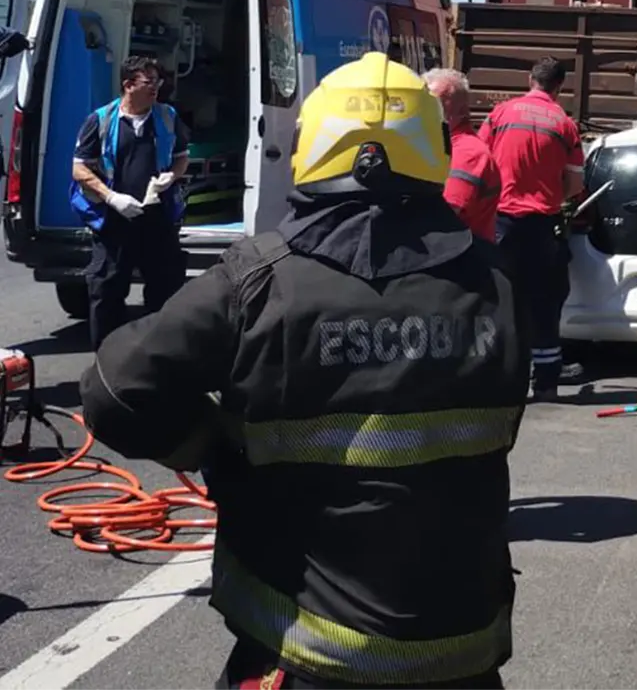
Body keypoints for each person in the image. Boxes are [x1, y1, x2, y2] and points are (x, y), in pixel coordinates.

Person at [79, 52, 528, 690]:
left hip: (305, 654)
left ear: (311, 147)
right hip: (464, 653)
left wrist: (213, 447)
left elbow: (114, 391)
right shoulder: (498, 285)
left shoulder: (258, 280)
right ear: (435, 149)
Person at [479, 57, 585, 402]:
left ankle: (501, 377)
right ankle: (546, 384)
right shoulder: (564, 124)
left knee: (500, 299)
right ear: (559, 87)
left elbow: (480, 159)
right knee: (546, 302)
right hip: (542, 225)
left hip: (502, 222)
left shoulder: (501, 114)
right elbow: (575, 184)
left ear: (530, 80)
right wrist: (552, 195)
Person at [70, 56, 189, 351]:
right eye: (149, 82)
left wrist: (171, 177)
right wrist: (111, 198)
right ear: (128, 85)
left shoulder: (167, 116)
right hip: (114, 221)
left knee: (166, 290)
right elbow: (79, 168)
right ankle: (107, 363)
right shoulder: (99, 120)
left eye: (158, 82)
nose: (156, 89)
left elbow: (181, 157)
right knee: (106, 290)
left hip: (156, 220)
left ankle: (162, 359)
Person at [423, 67, 501, 241]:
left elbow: (445, 215)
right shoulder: (441, 144)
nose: (425, 109)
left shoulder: (468, 153)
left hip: (464, 258)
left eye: (435, 103)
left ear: (462, 110)